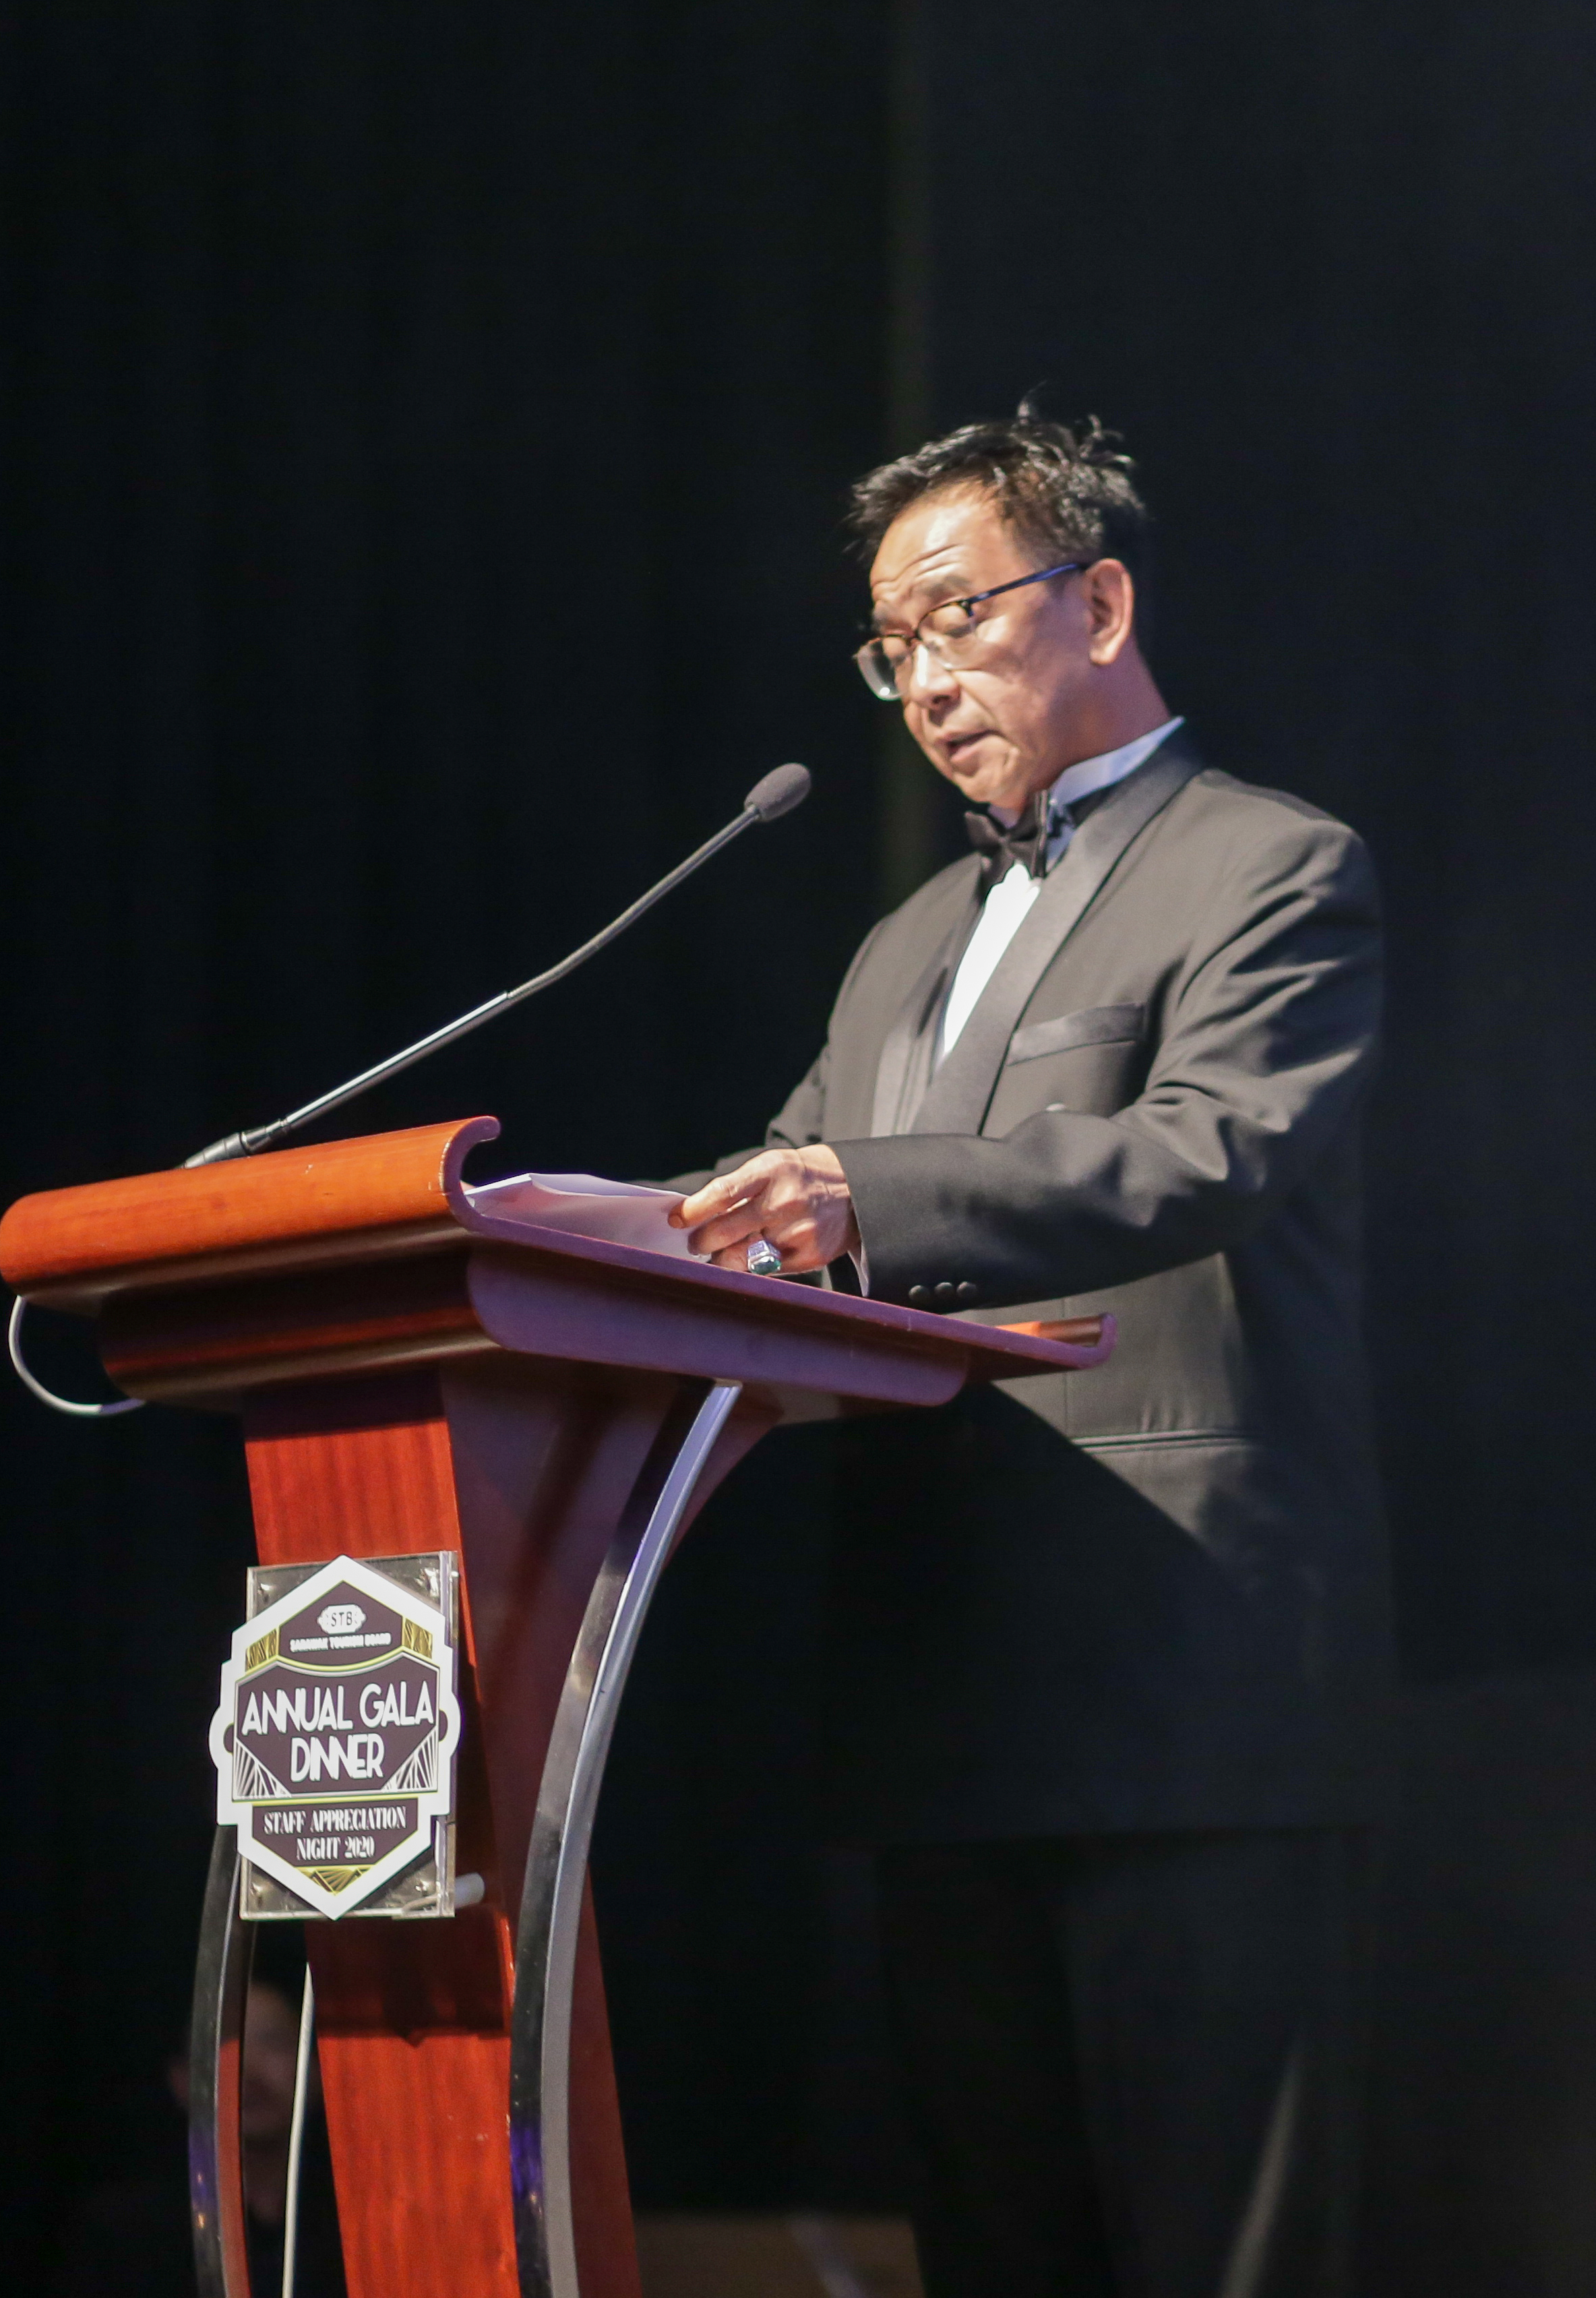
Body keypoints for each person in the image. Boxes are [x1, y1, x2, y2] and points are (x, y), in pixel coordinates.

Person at [673, 407, 1390, 2298]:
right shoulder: (905, 939)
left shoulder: (1269, 866)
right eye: (885, 648)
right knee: (1000, 2254)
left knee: (1215, 2253)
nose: (916, 681)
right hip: (942, 1687)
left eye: (952, 618)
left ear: (1099, 602)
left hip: (1180, 1684)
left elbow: (1211, 1150)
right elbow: (788, 1199)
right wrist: (593, 1244)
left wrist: (860, 1203)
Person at [49, 1972, 342, 2298]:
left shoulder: (354, 2221)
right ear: (181, 2079)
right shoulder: (130, 2230)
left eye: (273, 2042)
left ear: (317, 2070)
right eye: (224, 2043)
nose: (249, 2068)